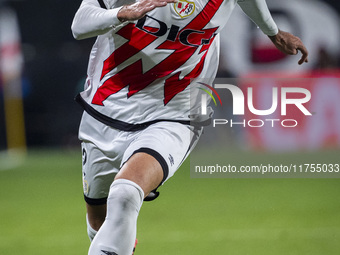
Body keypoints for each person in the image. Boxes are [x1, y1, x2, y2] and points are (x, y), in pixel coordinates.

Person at [71, 0, 308, 254]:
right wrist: (120, 14)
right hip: (106, 107)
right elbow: (80, 24)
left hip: (176, 113)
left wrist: (272, 31)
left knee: (126, 193)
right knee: (100, 221)